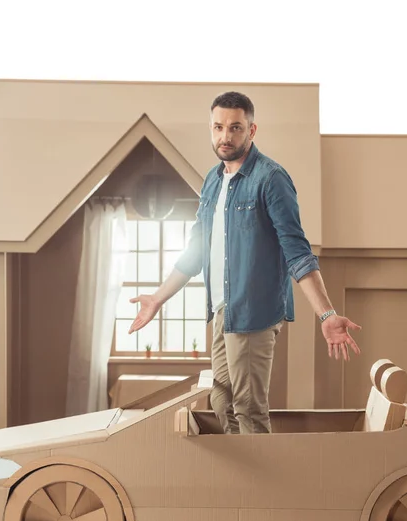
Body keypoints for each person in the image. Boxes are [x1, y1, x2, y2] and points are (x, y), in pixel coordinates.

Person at [128, 91, 362, 434]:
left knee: (249, 410)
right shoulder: (212, 181)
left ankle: (263, 488)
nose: (226, 136)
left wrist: (326, 314)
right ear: (210, 128)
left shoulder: (271, 179)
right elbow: (196, 250)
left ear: (251, 131)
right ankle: (244, 485)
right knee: (223, 403)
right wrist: (157, 299)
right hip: (224, 311)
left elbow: (297, 252)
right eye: (219, 127)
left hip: (254, 313)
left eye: (236, 128)